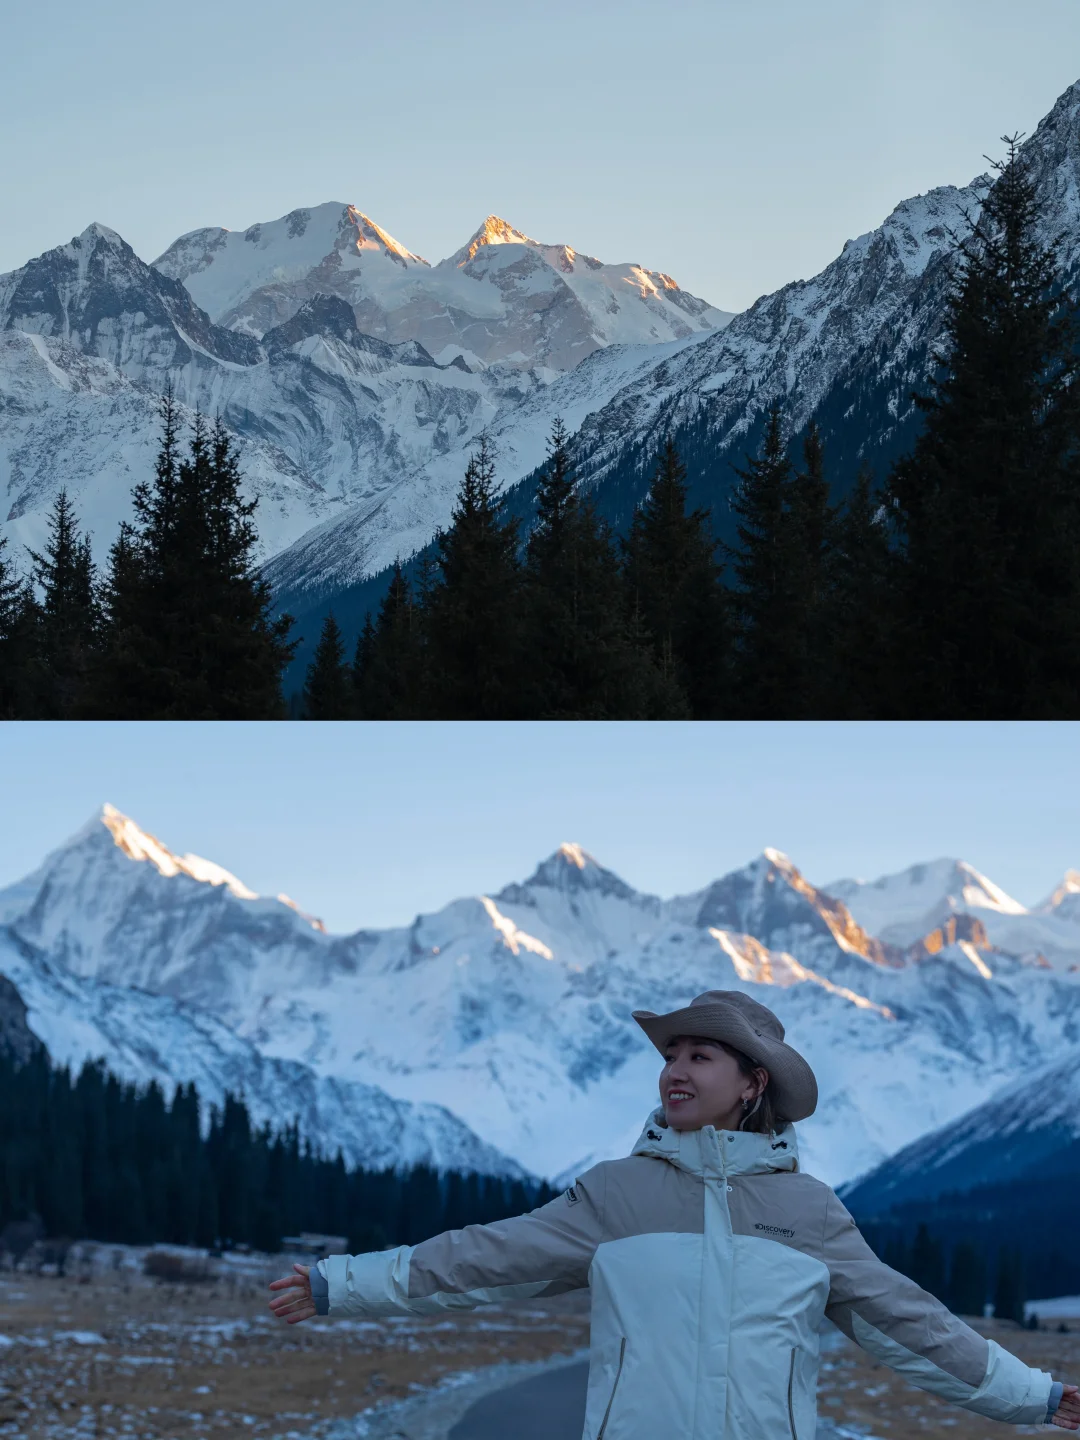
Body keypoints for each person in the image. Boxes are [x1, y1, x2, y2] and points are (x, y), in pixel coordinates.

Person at [269, 990, 1079, 1439]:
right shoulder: (616, 1195)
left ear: (753, 1083)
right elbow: (486, 1256)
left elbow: (913, 1324)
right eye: (670, 1056)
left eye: (700, 1055)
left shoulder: (810, 1213)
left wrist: (1035, 1397)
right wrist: (343, 1284)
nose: (675, 1072)